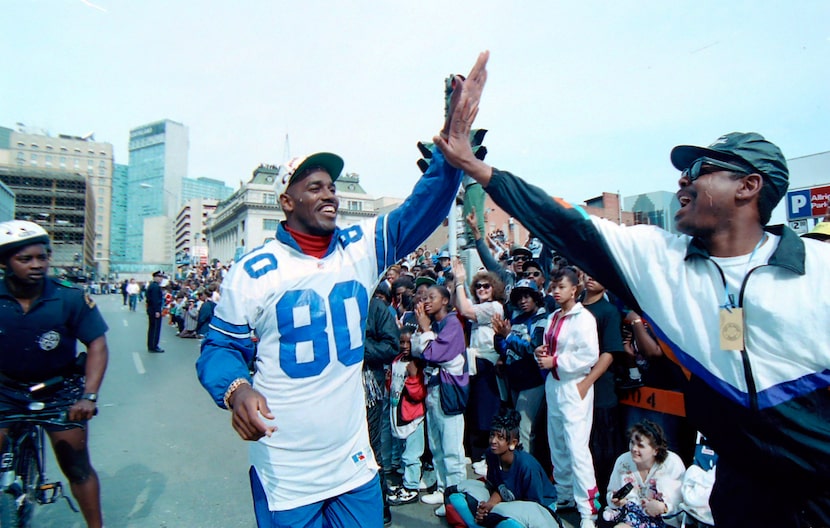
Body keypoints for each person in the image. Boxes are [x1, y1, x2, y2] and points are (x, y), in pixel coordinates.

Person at [437, 124, 830, 527]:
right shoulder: (661, 261)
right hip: (740, 497)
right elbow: (567, 223)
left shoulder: (820, 271)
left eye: (700, 169)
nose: (683, 179)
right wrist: (477, 170)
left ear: (748, 186)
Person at [195, 51, 489, 528]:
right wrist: (236, 388)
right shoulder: (253, 271)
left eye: (331, 186)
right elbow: (219, 348)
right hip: (287, 468)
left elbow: (420, 211)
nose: (329, 193)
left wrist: (450, 150)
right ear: (286, 201)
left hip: (351, 462)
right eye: (314, 187)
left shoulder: (359, 247)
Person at [0, 220, 108, 528]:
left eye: (42, 257)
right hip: (5, 390)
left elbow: (97, 345)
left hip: (59, 391)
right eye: (25, 259)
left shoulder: (69, 297)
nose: (37, 265)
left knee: (77, 467)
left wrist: (89, 396)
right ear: (4, 263)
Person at [535, 267, 600, 528]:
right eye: (554, 287)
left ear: (574, 289)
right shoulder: (553, 316)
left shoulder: (584, 319)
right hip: (554, 385)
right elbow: (549, 348)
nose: (556, 291)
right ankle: (564, 494)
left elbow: (590, 355)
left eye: (561, 287)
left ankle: (588, 510)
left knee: (577, 447)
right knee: (558, 442)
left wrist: (556, 361)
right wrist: (541, 353)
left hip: (573, 385)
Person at [445, 408, 560, 528]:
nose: (493, 441)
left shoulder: (527, 466)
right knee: (456, 497)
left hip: (538, 507)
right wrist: (488, 506)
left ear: (513, 443)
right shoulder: (491, 454)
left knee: (509, 524)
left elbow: (533, 508)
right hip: (508, 502)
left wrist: (497, 511)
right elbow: (498, 487)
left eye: (500, 438)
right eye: (492, 435)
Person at [411, 284, 469, 517]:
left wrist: (426, 330)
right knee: (436, 445)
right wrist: (424, 329)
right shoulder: (433, 325)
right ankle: (444, 489)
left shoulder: (452, 324)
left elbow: (433, 353)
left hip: (449, 392)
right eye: (424, 298)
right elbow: (417, 349)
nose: (426, 301)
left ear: (445, 300)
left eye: (432, 297)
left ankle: (457, 498)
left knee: (452, 448)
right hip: (434, 390)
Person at [493, 279, 547, 458]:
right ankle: (518, 464)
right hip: (515, 379)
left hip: (533, 381)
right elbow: (504, 349)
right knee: (516, 427)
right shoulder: (516, 319)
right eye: (519, 297)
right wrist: (499, 335)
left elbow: (533, 349)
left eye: (527, 296)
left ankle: (526, 467)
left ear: (536, 297)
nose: (523, 301)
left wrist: (508, 336)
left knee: (525, 429)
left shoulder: (542, 319)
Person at [601, 421, 685, 528]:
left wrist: (664, 508)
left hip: (664, 522)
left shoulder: (672, 464)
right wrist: (616, 501)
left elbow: (683, 506)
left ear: (656, 450)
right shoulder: (623, 461)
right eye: (632, 442)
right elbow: (611, 495)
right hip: (632, 518)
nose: (634, 449)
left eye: (640, 445)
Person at [363, 283, 400, 524]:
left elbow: (391, 346)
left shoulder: (376, 307)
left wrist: (358, 346)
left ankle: (380, 505)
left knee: (370, 446)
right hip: (334, 387)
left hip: (367, 386)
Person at [145, 270, 165, 353]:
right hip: (154, 310)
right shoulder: (155, 287)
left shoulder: (152, 285)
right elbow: (155, 300)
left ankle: (151, 345)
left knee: (152, 328)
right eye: (159, 277)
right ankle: (154, 346)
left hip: (151, 309)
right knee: (155, 328)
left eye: (161, 277)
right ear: (155, 277)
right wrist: (157, 311)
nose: (161, 279)